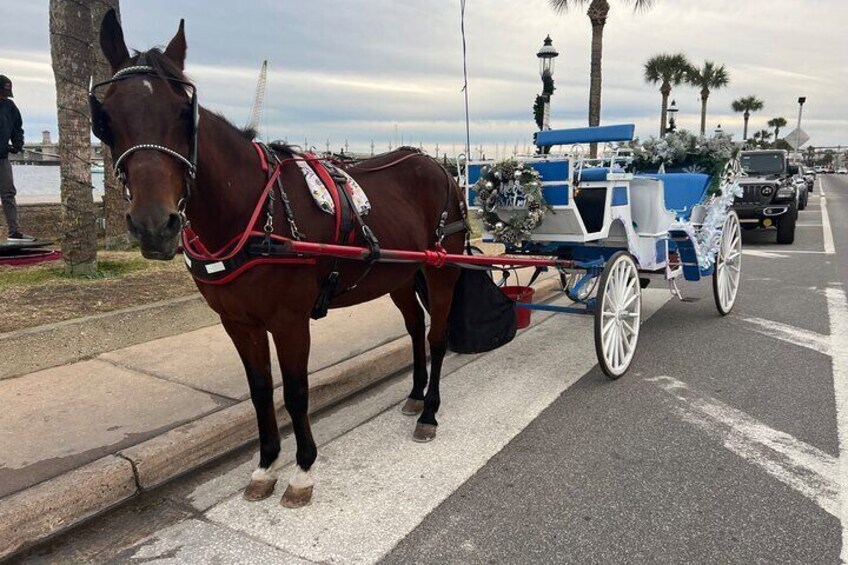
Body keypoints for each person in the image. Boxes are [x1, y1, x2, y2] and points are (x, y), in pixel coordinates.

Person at [0, 74, 34, 242]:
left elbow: (17, 127)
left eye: (6, 94)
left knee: (8, 193)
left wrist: (18, 143)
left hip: (2, 158)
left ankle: (14, 231)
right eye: (2, 93)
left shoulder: (9, 106)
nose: (4, 96)